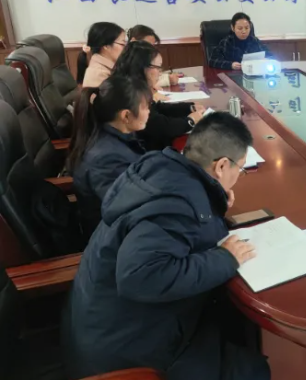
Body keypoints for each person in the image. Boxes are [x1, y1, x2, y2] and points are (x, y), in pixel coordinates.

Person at [62, 113, 270, 380]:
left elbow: (180, 231)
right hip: (123, 354)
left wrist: (212, 200)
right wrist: (225, 259)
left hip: (104, 327)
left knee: (230, 323)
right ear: (220, 166)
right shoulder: (175, 205)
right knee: (251, 370)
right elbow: (139, 276)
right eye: (239, 169)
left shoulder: (164, 172)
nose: (237, 177)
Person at [67, 76, 151, 239]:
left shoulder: (113, 136)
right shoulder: (106, 158)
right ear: (126, 116)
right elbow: (129, 210)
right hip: (114, 238)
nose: (149, 112)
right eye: (146, 107)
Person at [111, 41, 205, 151]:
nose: (160, 73)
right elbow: (160, 126)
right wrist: (190, 121)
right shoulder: (129, 93)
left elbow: (157, 108)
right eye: (158, 67)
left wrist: (189, 107)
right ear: (142, 67)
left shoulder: (132, 85)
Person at [79, 22, 126, 88]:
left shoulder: (112, 66)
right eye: (122, 44)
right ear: (106, 46)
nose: (126, 47)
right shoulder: (98, 74)